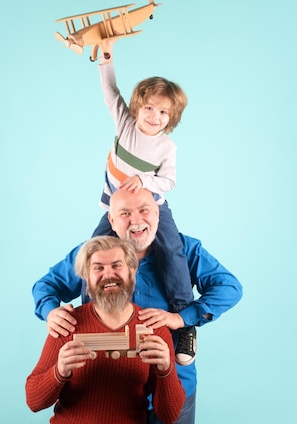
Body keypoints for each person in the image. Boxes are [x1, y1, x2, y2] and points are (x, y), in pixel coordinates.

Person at [32, 188, 243, 424]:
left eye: (144, 210)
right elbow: (46, 286)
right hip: (115, 388)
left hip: (174, 379)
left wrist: (181, 318)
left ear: (157, 213)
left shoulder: (184, 250)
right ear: (112, 219)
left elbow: (229, 287)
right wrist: (51, 312)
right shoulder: (95, 256)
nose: (136, 221)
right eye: (125, 213)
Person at [91, 38, 197, 365]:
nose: (154, 116)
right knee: (96, 250)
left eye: (163, 112)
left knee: (173, 250)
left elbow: (169, 181)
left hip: (153, 208)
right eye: (149, 107)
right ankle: (91, 316)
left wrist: (144, 181)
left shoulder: (167, 149)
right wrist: (105, 55)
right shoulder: (125, 124)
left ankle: (185, 325)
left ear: (171, 118)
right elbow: (110, 91)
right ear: (138, 107)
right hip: (117, 207)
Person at [26, 236, 185, 424]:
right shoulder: (67, 324)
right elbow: (34, 402)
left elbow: (169, 415)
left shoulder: (154, 328)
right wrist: (58, 371)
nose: (108, 275)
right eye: (98, 268)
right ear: (87, 278)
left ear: (132, 272)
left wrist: (165, 370)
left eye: (117, 266)